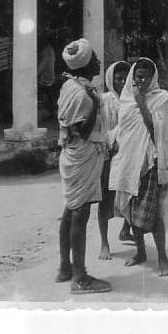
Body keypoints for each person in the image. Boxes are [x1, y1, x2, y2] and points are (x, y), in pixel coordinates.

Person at [109, 58, 168, 277]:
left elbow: (157, 131)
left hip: (150, 163)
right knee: (131, 211)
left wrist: (141, 102)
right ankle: (140, 253)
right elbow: (122, 131)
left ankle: (163, 257)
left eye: (146, 76)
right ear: (133, 76)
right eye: (138, 76)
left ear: (153, 77)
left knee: (153, 214)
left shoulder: (161, 99)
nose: (142, 80)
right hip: (129, 165)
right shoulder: (126, 99)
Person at [56, 38, 111, 294]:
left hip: (72, 156)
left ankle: (65, 268)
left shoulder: (70, 86)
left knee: (71, 209)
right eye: (95, 58)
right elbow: (82, 131)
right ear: (87, 63)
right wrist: (96, 105)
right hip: (83, 155)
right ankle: (80, 277)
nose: (99, 62)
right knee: (80, 212)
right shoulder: (82, 93)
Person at [97, 61, 133, 260]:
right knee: (106, 199)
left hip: (129, 155)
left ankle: (125, 229)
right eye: (118, 78)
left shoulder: (134, 99)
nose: (122, 82)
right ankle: (104, 242)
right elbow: (100, 129)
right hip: (109, 155)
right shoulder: (104, 101)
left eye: (125, 78)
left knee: (130, 193)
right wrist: (114, 139)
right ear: (111, 79)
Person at [38, 34, 57, 119]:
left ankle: (50, 112)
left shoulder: (46, 50)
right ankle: (51, 112)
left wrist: (36, 73)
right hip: (49, 74)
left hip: (46, 76)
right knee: (49, 94)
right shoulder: (51, 49)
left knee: (45, 94)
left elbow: (43, 63)